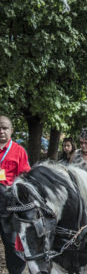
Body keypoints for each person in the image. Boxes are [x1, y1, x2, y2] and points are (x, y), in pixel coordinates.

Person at [0, 116, 30, 274]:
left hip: (9, 204)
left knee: (12, 244)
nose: (1, 131)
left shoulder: (19, 151)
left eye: (4, 128)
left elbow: (25, 179)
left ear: (11, 130)